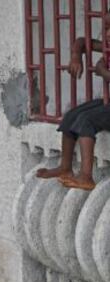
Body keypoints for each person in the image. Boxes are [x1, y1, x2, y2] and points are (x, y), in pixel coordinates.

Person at [36, 13, 110, 191]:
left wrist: (103, 71)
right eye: (107, 28)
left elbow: (103, 69)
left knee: (87, 120)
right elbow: (82, 41)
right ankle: (65, 168)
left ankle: (86, 177)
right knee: (72, 115)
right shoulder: (108, 47)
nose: (107, 34)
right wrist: (77, 56)